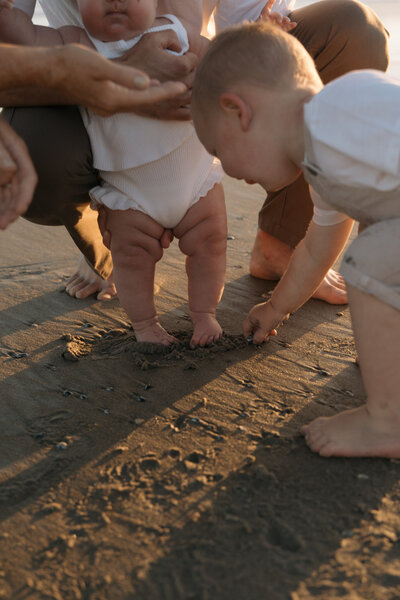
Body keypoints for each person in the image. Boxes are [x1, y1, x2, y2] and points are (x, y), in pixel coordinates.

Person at [1, 0, 389, 303]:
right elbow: (14, 49)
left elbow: (226, 35)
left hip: (189, 81)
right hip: (88, 93)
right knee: (35, 152)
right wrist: (116, 78)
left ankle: (281, 239)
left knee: (352, 30)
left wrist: (200, 61)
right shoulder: (73, 38)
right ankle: (109, 243)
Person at [191, 22, 400, 458]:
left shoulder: (339, 114)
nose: (230, 172)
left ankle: (389, 422)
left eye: (218, 149)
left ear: (238, 112)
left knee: (369, 257)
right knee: (376, 235)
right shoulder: (324, 164)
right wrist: (275, 309)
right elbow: (317, 250)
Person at [0, 0, 230, 347]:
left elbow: (223, 64)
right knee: (132, 259)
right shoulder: (76, 45)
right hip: (129, 194)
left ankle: (203, 313)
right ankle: (146, 324)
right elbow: (28, 39)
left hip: (196, 180)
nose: (115, 0)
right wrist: (7, 16)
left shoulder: (175, 29)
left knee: (211, 244)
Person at [0, 42, 186, 229]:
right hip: (78, 113)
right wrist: (64, 73)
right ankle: (104, 228)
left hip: (186, 153)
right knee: (38, 151)